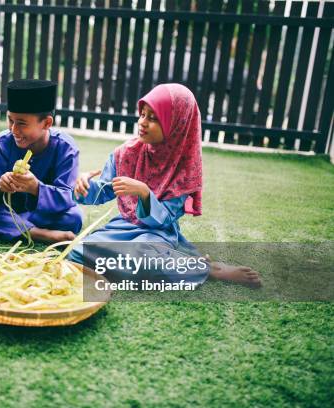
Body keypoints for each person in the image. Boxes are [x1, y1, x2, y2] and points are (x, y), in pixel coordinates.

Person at [69, 83, 261, 287]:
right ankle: (136, 268)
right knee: (78, 252)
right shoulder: (125, 153)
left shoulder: (184, 167)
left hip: (156, 235)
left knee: (144, 260)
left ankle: (209, 269)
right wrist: (83, 186)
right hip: (122, 228)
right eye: (142, 114)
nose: (142, 122)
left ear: (176, 124)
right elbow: (105, 191)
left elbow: (164, 219)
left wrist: (144, 193)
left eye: (153, 118)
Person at [0, 79, 82, 243]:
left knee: (73, 217)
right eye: (10, 120)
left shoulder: (66, 148)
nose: (13, 130)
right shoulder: (2, 142)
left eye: (22, 123)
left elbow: (66, 197)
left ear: (46, 123)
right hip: (8, 209)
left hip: (42, 213)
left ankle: (13, 228)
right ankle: (39, 234)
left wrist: (36, 188)